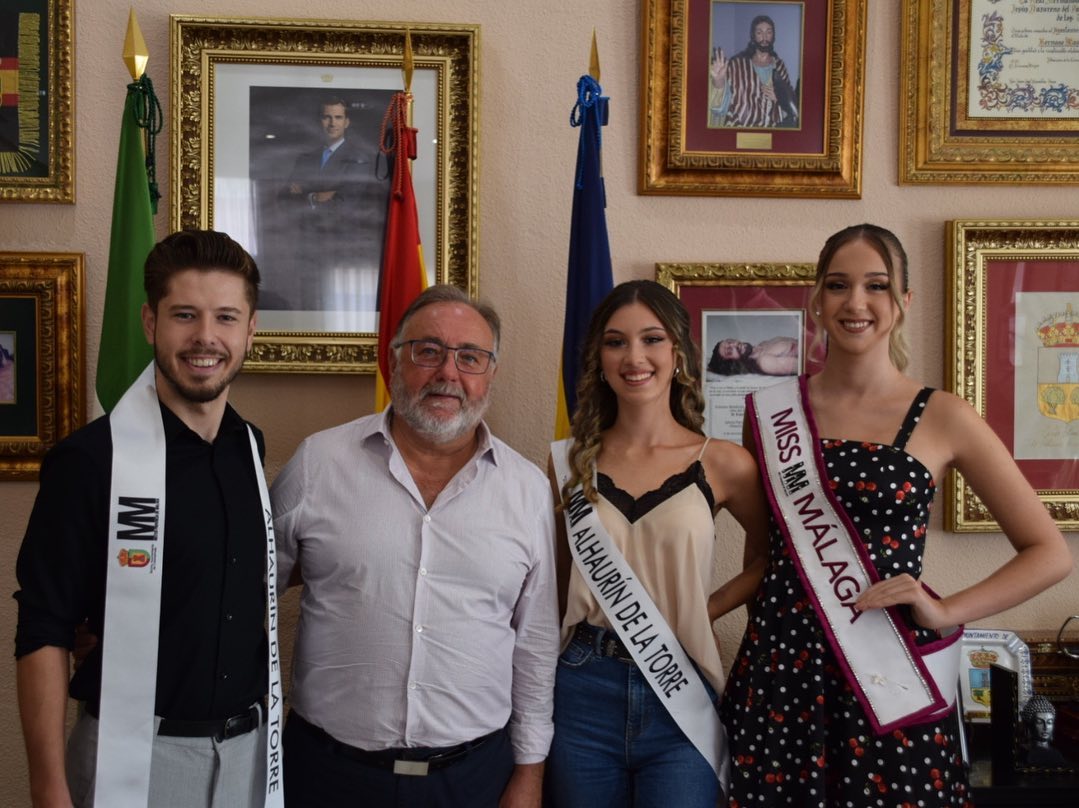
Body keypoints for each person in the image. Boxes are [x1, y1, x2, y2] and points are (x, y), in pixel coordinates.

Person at [721, 223, 1073, 805]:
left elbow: (1049, 553)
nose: (856, 302)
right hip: (781, 676)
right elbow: (765, 554)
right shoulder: (768, 411)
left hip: (889, 675)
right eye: (838, 285)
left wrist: (946, 610)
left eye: (877, 286)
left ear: (903, 303)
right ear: (816, 299)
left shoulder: (944, 415)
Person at [15, 230, 282, 808]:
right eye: (184, 314)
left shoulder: (251, 450)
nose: (205, 337)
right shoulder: (91, 460)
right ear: (149, 323)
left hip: (250, 757)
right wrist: (48, 789)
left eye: (226, 317)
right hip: (134, 759)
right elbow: (43, 628)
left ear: (251, 330)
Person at [271, 284, 559, 808]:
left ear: (490, 373)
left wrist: (530, 773)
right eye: (428, 351)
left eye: (470, 357)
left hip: (473, 778)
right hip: (328, 773)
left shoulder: (527, 490)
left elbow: (534, 646)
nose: (449, 373)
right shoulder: (319, 463)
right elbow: (250, 598)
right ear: (394, 360)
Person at [545, 280, 771, 807]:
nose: (634, 356)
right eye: (616, 342)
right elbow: (555, 586)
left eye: (652, 339)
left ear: (678, 354)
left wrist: (705, 608)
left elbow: (772, 559)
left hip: (681, 683)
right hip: (581, 684)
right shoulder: (567, 464)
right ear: (598, 358)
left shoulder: (723, 462)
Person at [282, 98, 383, 310]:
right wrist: (316, 197)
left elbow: (344, 206)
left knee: (337, 308)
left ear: (347, 122)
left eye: (338, 117)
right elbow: (285, 200)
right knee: (308, 307)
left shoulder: (360, 158)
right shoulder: (305, 159)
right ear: (320, 121)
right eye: (327, 117)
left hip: (341, 248)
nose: (332, 123)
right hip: (307, 248)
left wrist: (306, 195)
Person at [709, 15, 799, 128]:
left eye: (769, 32)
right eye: (759, 33)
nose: (764, 37)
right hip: (738, 127)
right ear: (753, 36)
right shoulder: (737, 64)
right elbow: (723, 99)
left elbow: (791, 105)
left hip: (771, 129)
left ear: (773, 36)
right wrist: (719, 81)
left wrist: (778, 98)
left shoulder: (780, 66)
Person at [708, 335, 799, 376]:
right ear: (732, 363)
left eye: (730, 342)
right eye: (729, 351)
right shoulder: (765, 362)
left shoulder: (763, 344)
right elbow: (803, 365)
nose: (734, 345)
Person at [1020, 695, 1069, 767]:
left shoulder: (1056, 754)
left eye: (1049, 722)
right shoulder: (1024, 752)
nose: (1045, 727)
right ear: (1030, 724)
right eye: (1040, 722)